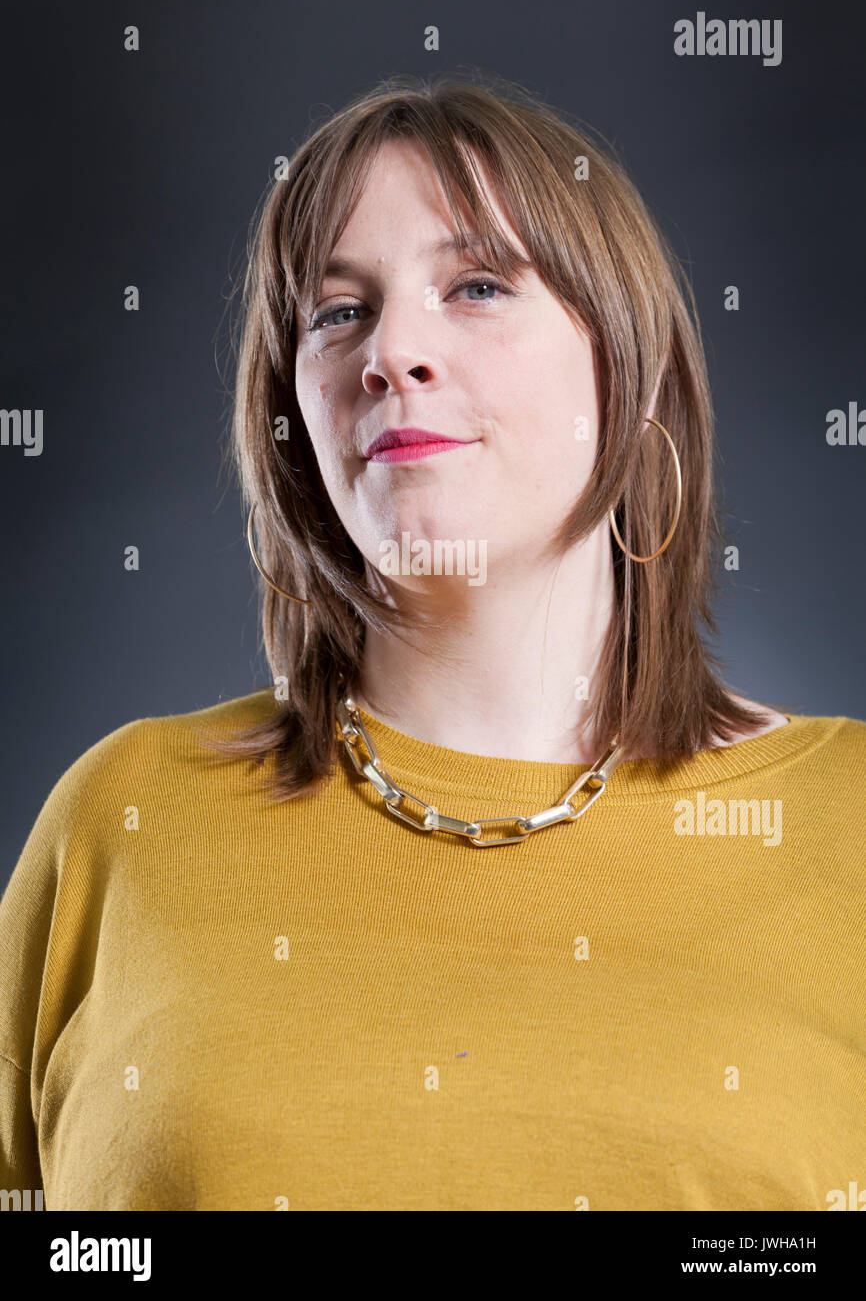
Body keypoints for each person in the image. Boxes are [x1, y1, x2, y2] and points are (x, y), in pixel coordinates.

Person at [2, 73, 863, 1212]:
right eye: (337, 309)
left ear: (631, 364)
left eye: (475, 285)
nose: (391, 351)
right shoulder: (120, 818)